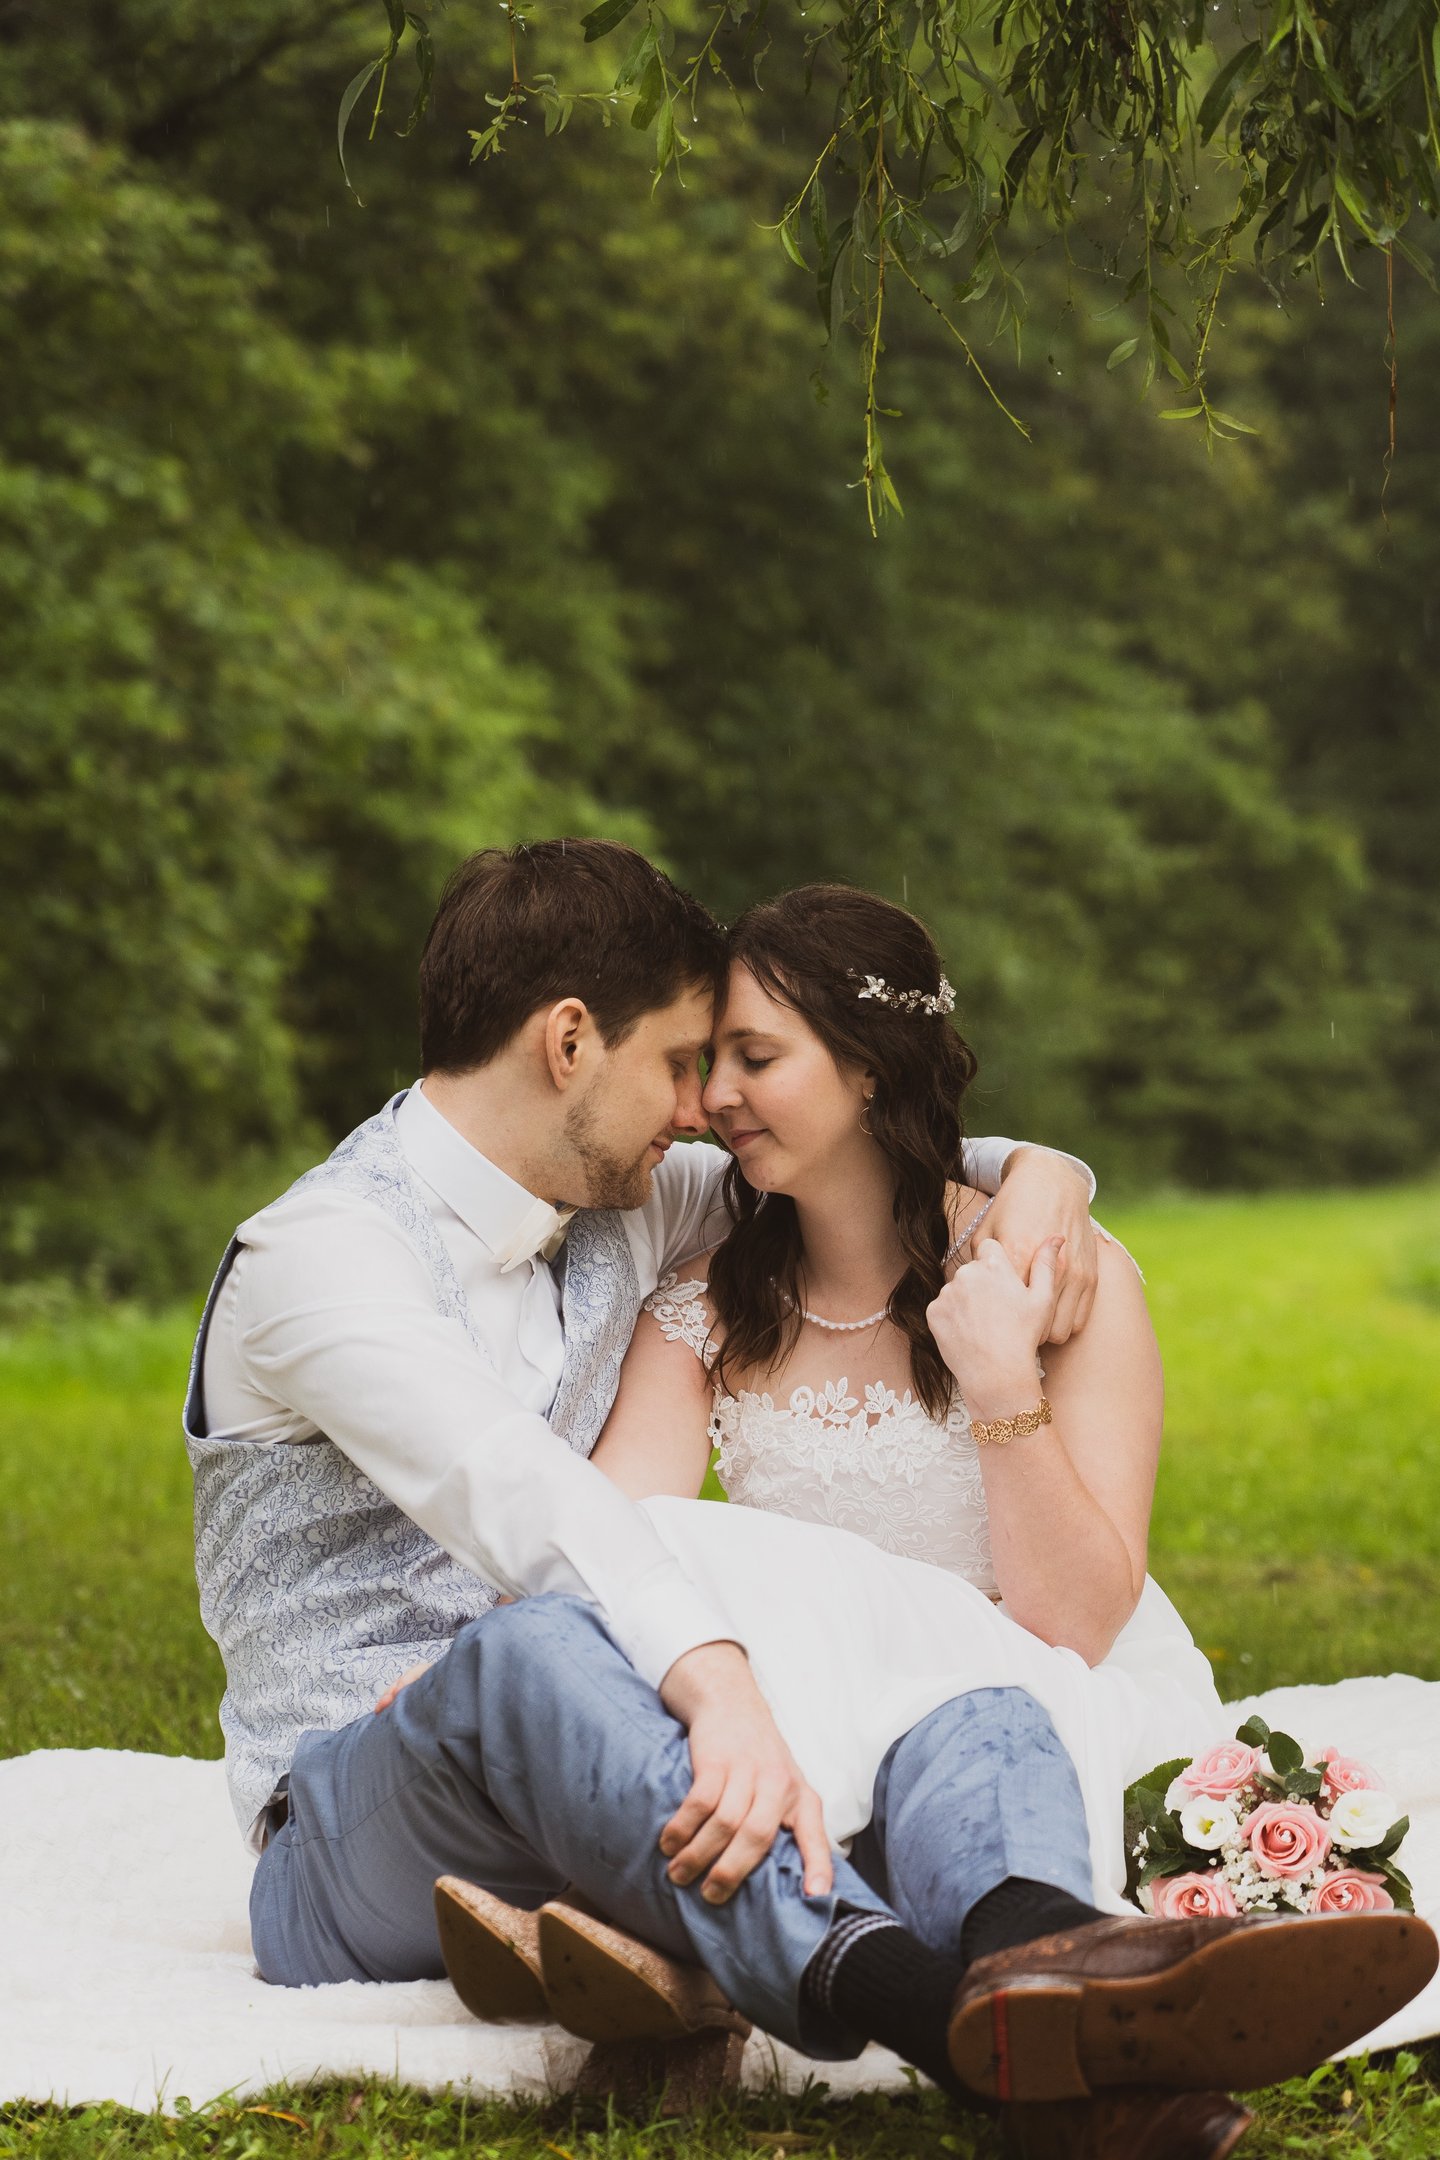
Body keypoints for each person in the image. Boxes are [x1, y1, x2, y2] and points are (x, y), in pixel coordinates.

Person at [424, 881, 1439, 2158]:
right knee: (660, 1557)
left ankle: (690, 1940)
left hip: (1036, 1701)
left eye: (756, 1059)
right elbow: (619, 1544)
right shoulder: (700, 1307)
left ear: (868, 1068)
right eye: (710, 1062)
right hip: (821, 1714)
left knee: (890, 1700)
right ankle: (1062, 2057)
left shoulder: (1064, 1281)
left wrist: (1003, 1389)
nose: (713, 1098)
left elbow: (1072, 1621)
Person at [186, 839, 1096, 1959]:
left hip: (617, 1741)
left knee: (960, 1705)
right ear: (569, 1041)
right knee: (538, 1660)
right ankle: (898, 1989)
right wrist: (719, 1685)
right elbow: (521, 1495)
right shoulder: (316, 1255)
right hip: (364, 1810)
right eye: (677, 1063)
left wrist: (1047, 1174)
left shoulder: (623, 1198)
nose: (703, 1108)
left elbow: (854, 1152)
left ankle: (1054, 1968)